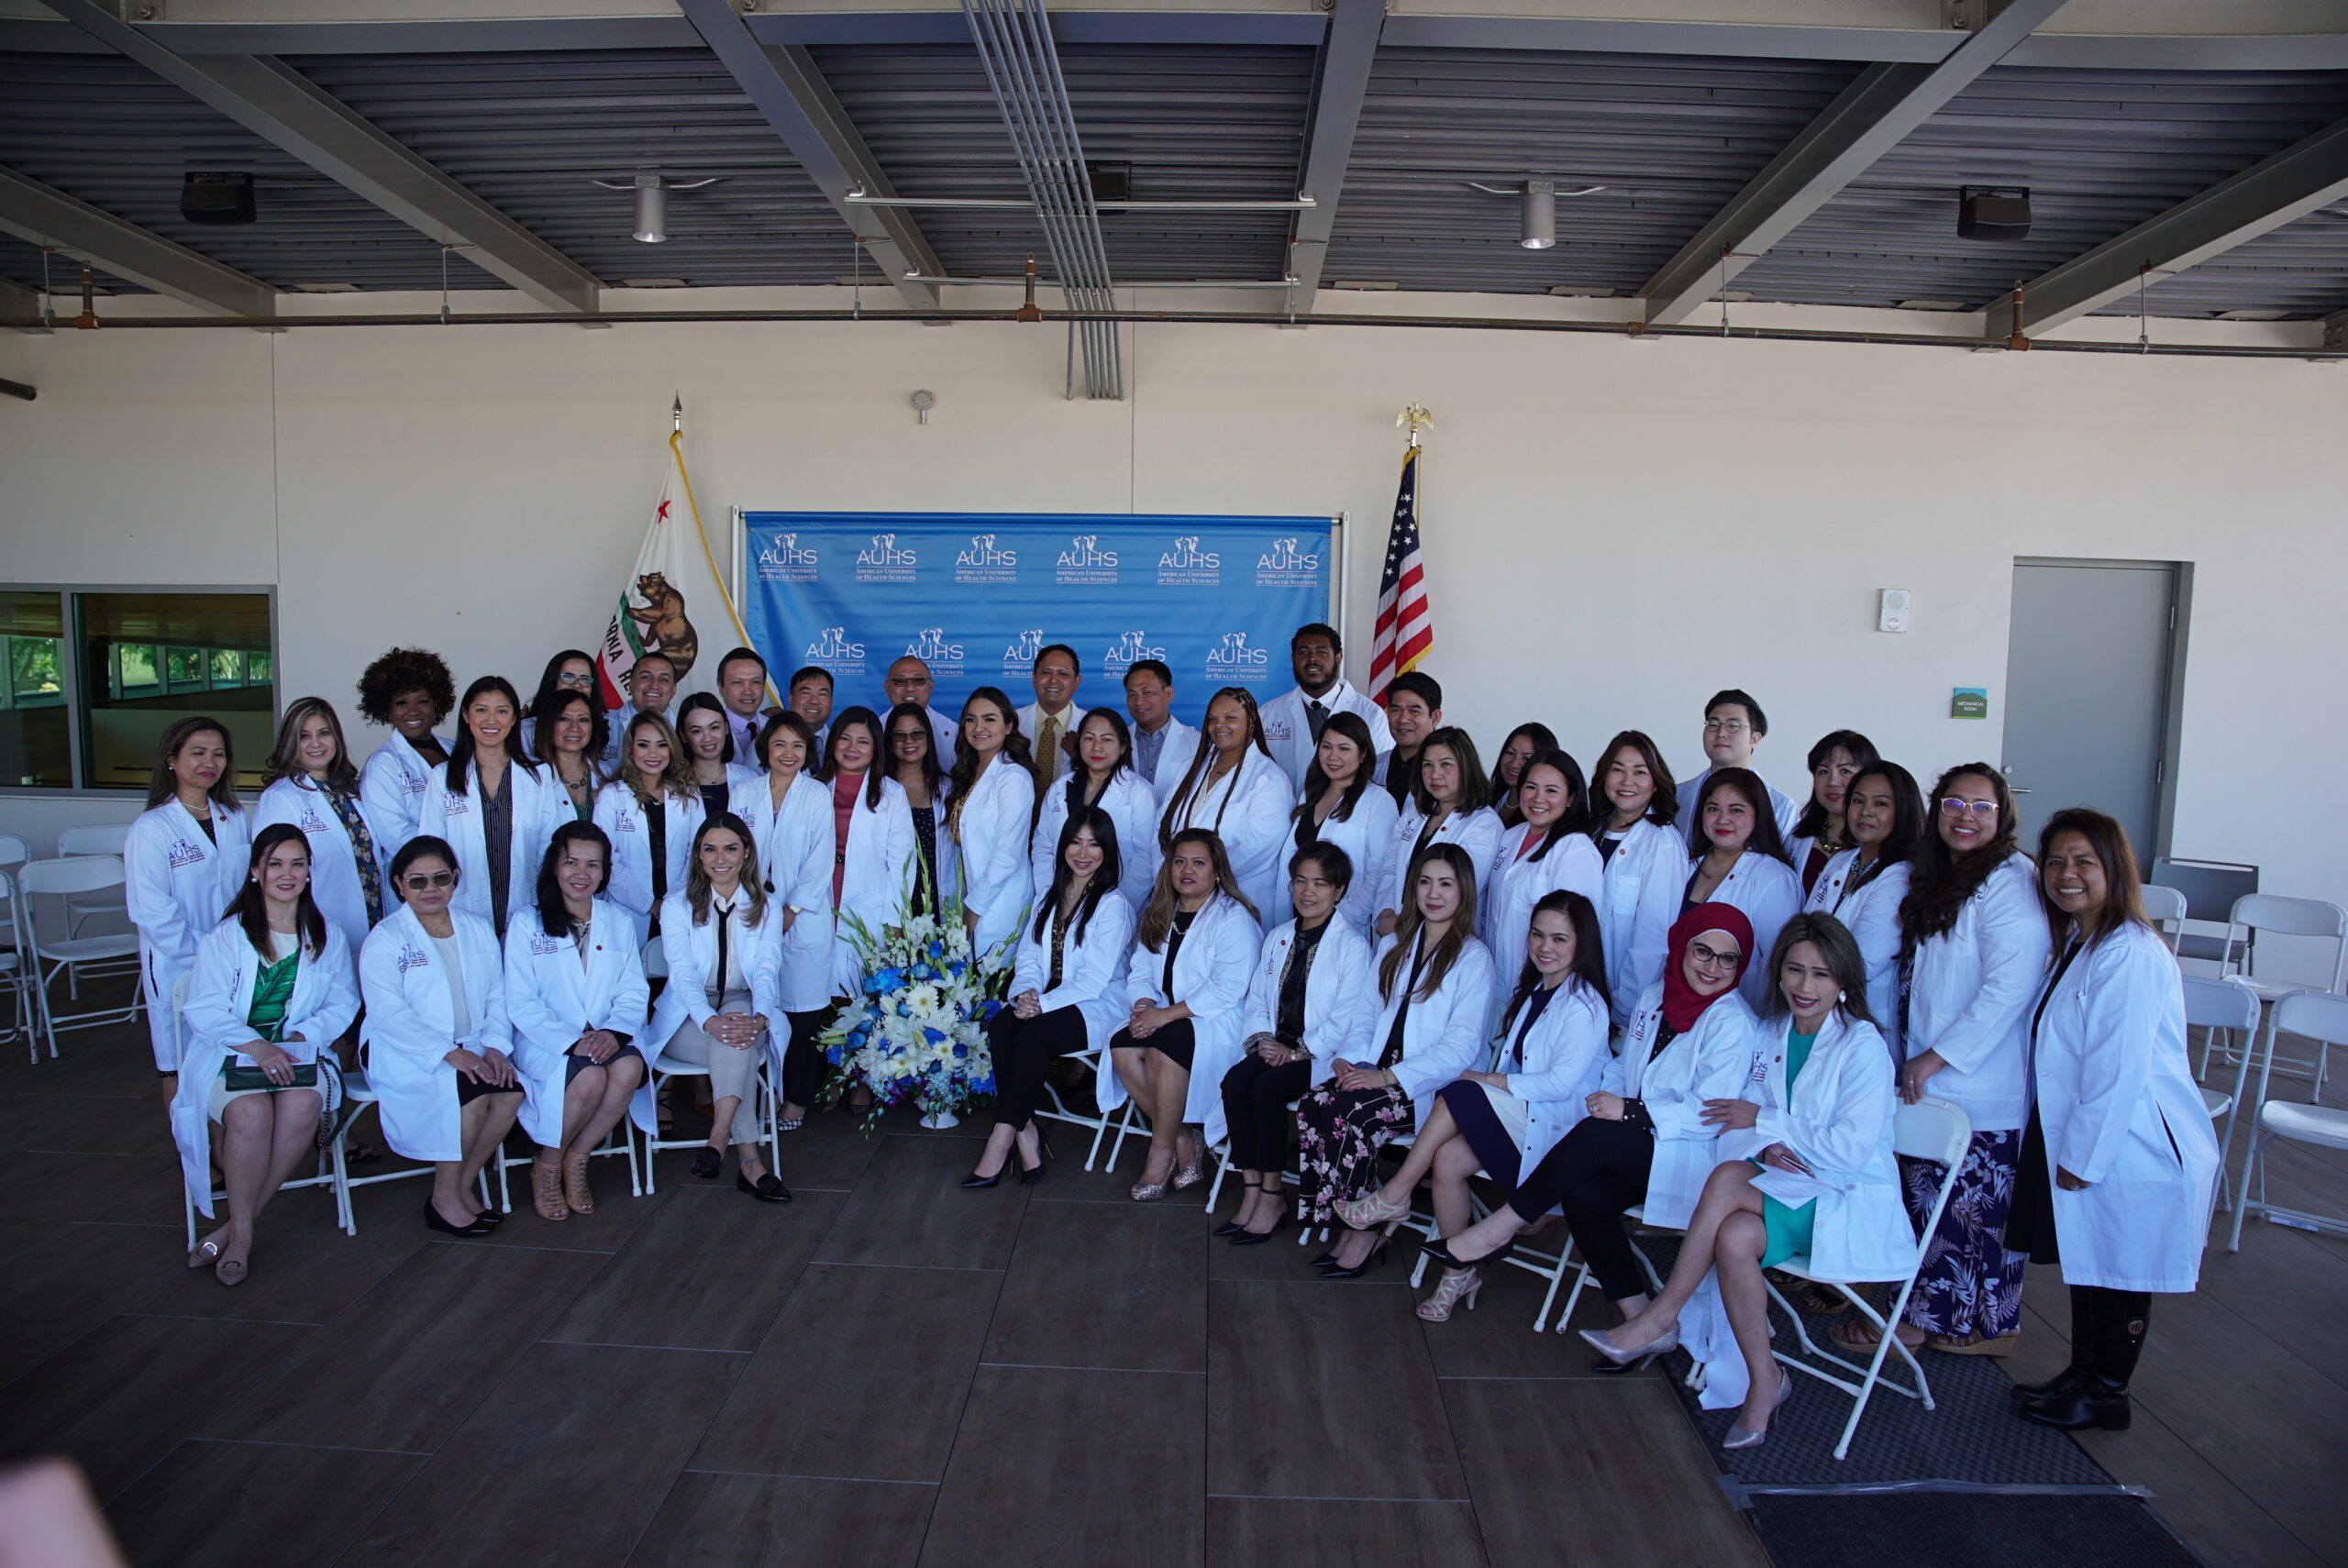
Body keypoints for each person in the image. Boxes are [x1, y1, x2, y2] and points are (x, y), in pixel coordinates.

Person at [1581, 914, 1910, 1448]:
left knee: (1731, 1177)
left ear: (1845, 983)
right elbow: (1738, 1123)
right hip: (1789, 1186)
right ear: (1777, 975)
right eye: (1795, 971)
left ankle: (1661, 1316)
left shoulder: (1863, 1046)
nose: (1805, 987)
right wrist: (1767, 1141)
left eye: (1821, 975)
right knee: (1734, 1237)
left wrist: (1768, 1127)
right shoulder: (1773, 1035)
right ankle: (1766, 1381)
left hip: (1842, 1199)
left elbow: (1848, 1148)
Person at [1425, 907, 1763, 1345]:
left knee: (1596, 1135)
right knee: (1585, 1198)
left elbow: (1708, 1114)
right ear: (1683, 946)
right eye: (1702, 951)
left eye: (1727, 959)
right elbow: (1623, 1067)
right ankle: (1643, 1320)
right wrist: (1609, 1103)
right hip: (1635, 1146)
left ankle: (1498, 1227)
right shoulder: (1656, 996)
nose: (1712, 967)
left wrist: (1627, 1112)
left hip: (1687, 1156)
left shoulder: (1733, 1022)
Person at [2005, 809, 2217, 1431]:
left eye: (2083, 863)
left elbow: (2116, 1070)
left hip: (2133, 1145)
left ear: (2113, 870)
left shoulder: (2130, 952)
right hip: (2092, 1136)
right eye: (2055, 862)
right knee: (2093, 1262)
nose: (2066, 875)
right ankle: (2082, 1375)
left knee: (2122, 1269)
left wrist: (2083, 1157)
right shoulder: (2084, 939)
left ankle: (2107, 1392)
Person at [1836, 763, 2052, 1359]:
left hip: (1979, 1080)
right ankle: (1936, 1317)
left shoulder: (2012, 880)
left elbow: (2009, 987)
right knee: (1933, 1205)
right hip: (1933, 1072)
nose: (1966, 816)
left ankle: (1977, 1327)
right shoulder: (1945, 875)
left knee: (1970, 1215)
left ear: (2002, 814)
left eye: (1981, 806)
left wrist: (1935, 1057)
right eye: (1954, 804)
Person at [1350, 889, 1611, 1320]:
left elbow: (1560, 1084)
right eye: (1538, 935)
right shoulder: (1534, 992)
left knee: (1460, 1088)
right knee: (1449, 1160)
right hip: (1519, 1117)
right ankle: (1458, 1277)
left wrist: (1488, 1079)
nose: (1546, 947)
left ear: (1582, 943)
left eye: (1560, 939)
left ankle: (1396, 1191)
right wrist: (1489, 1081)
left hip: (1552, 1128)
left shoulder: (1584, 1004)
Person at [172, 825, 359, 1286]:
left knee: (304, 1104)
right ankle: (243, 1233)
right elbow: (204, 1008)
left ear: (309, 872)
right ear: (256, 872)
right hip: (230, 1054)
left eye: (297, 863)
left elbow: (343, 1002)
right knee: (251, 1115)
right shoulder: (227, 937)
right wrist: (256, 1045)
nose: (286, 873)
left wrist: (299, 1033)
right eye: (274, 863)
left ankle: (237, 1228)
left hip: (298, 1053)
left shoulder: (326, 935)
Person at [1303, 844, 1495, 1277]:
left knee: (1347, 1114)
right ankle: (1345, 1215)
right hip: (1373, 1069)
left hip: (1423, 1085)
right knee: (1315, 1104)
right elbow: (1365, 1014)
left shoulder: (1473, 958)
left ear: (1463, 892)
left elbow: (1460, 1049)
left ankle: (1365, 1230)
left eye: (1446, 884)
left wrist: (1388, 1077)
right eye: (1425, 882)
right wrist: (1349, 1061)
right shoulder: (1395, 941)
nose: (1434, 893)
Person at [359, 835, 524, 1236]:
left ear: (455, 879)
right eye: (417, 881)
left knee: (510, 1094)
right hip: (408, 1049)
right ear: (399, 884)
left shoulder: (476, 927)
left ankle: (462, 1185)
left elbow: (498, 994)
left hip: (474, 1043)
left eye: (440, 878)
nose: (430, 889)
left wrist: (496, 1048)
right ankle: (444, 1196)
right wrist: (447, 1053)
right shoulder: (386, 938)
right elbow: (388, 1014)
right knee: (470, 1094)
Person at [1215, 846, 1377, 1242]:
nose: (1308, 891)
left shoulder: (1352, 946)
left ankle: (1273, 1195)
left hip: (1318, 1054)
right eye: (1301, 881)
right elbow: (1257, 998)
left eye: (1320, 883)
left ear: (1338, 891)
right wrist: (1264, 1041)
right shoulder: (1279, 936)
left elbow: (1346, 1018)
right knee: (1234, 1083)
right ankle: (1251, 1188)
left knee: (1267, 1091)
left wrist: (1296, 1052)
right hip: (1275, 1045)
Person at [967, 809, 1134, 1188]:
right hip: (1046, 1002)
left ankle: (1000, 1139)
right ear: (1063, 847)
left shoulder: (1112, 905)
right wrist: (1026, 992)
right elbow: (1028, 957)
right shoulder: (1049, 897)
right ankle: (1026, 1132)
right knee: (1002, 1025)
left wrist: (1042, 1005)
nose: (1083, 852)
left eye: (1094, 844)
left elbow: (1093, 980)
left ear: (1107, 851)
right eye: (1076, 842)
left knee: (1031, 1035)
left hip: (1094, 1007)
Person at [501, 823, 648, 1221]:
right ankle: (547, 1164)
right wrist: (572, 1041)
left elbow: (633, 990)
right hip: (548, 1040)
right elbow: (521, 1002)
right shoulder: (525, 924)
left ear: (604, 873)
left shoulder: (617, 921)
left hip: (605, 1032)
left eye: (592, 865)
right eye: (571, 862)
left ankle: (577, 1157)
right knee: (589, 1078)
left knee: (630, 1066)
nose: (581, 873)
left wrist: (615, 1032)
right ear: (554, 866)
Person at [642, 814, 790, 1201]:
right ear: (698, 855)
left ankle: (718, 1138)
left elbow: (767, 968)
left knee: (735, 1039)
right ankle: (748, 1160)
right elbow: (683, 975)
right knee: (731, 1042)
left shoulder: (767, 905)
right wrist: (710, 1022)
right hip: (687, 1016)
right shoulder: (677, 905)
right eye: (710, 849)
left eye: (730, 848)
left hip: (743, 1002)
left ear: (745, 854)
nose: (719, 858)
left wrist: (760, 1017)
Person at [1108, 829, 1261, 1201]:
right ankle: (1179, 1134)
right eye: (1179, 861)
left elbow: (1228, 987)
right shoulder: (1161, 911)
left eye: (1198, 862)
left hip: (1216, 1019)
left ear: (1217, 870)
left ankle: (1159, 1154)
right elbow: (1140, 969)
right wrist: (1145, 1006)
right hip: (1166, 1012)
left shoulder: (1233, 917)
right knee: (1122, 1047)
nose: (1187, 870)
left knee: (1163, 1049)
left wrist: (1165, 1017)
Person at [127, 716, 254, 1098]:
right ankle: (192, 1158)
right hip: (176, 962)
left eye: (218, 754)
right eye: (197, 753)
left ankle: (227, 1152)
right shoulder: (152, 827)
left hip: (232, 959)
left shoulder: (234, 817)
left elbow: (247, 888)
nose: (209, 762)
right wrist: (204, 955)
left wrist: (230, 953)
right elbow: (151, 911)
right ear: (171, 759)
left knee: (224, 1058)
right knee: (178, 1067)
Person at [727, 713, 836, 1125]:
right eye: (780, 744)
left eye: (798, 746)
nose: (788, 753)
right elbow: (736, 851)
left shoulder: (816, 794)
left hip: (803, 916)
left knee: (803, 1011)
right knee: (761, 1003)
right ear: (765, 749)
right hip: (751, 913)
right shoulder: (744, 792)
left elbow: (820, 859)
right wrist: (756, 905)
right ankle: (762, 1092)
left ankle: (798, 1098)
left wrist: (791, 909)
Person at [418, 675, 559, 940]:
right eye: (481, 710)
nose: (491, 720)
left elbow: (548, 846)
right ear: (466, 715)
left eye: (502, 711)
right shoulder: (443, 777)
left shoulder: (539, 775)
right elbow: (431, 850)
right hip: (462, 908)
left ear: (514, 718)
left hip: (526, 907)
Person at [1805, 761, 1925, 1059]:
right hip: (1816, 1007)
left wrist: (1800, 965)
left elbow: (1861, 961)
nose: (1865, 811)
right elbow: (1803, 927)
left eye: (1880, 804)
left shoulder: (1899, 876)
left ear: (1903, 812)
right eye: (1858, 801)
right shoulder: (1842, 861)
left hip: (1863, 1017)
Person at [256, 697, 381, 958]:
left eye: (323, 733)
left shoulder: (349, 791)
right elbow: (272, 875)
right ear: (291, 743)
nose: (316, 743)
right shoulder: (281, 798)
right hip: (316, 929)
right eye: (304, 736)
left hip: (372, 917)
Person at [1483, 749, 1603, 1019]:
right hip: (1497, 982)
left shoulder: (1574, 849)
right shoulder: (1510, 837)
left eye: (1551, 790)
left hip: (1541, 990)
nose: (1538, 799)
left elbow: (1575, 935)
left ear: (1571, 798)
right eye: (1531, 787)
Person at [1157, 686, 1295, 918]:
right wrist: (1175, 876)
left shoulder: (1270, 779)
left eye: (1230, 718)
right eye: (1213, 719)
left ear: (1251, 720)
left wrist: (1197, 879)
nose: (1219, 726)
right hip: (1179, 896)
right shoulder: (1190, 769)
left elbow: (1256, 849)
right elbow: (1161, 827)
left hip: (1237, 902)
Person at [820, 707, 914, 1027]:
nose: (852, 748)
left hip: (869, 903)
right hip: (818, 895)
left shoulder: (891, 793)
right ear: (833, 742)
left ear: (875, 748)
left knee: (859, 999)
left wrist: (895, 919)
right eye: (844, 739)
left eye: (862, 741)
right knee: (812, 991)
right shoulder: (811, 786)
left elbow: (902, 863)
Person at [1682, 767, 1801, 1010]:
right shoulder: (1686, 866)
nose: (1722, 819)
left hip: (1742, 1017)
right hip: (1681, 1008)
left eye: (1736, 810)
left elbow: (1779, 962)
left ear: (1759, 815)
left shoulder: (1774, 878)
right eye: (1713, 808)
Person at [1590, 731, 1686, 1032]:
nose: (1626, 781)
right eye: (1617, 770)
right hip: (1575, 988)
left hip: (1618, 1001)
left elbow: (1653, 940)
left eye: (1640, 772)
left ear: (1655, 781)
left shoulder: (1662, 842)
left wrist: (1623, 1010)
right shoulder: (1591, 831)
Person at [939, 687, 1037, 965]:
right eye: (971, 719)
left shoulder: (1013, 777)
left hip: (998, 902)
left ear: (1008, 726)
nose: (979, 727)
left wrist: (974, 907)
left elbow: (1008, 854)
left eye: (989, 719)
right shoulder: (968, 772)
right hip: (970, 896)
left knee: (994, 986)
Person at [1029, 708, 1160, 914]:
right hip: (1059, 901)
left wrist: (1112, 907)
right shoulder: (1061, 787)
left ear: (1123, 745)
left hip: (1115, 904)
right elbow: (1043, 845)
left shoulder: (1139, 792)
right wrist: (1051, 895)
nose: (1096, 747)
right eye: (1089, 738)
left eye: (1107, 740)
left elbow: (1144, 857)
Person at [1276, 711, 1397, 933]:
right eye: (1326, 746)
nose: (1333, 756)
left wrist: (1341, 918)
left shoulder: (1378, 801)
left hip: (1347, 924)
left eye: (1344, 748)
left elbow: (1381, 871)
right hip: (1301, 917)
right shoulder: (1310, 795)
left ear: (1362, 754)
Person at [594, 712, 703, 943]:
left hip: (679, 905)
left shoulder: (688, 794)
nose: (653, 754)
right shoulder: (612, 795)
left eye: (661, 745)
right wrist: (649, 904)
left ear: (671, 749)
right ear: (631, 750)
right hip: (628, 909)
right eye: (644, 745)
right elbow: (606, 858)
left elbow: (698, 852)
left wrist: (671, 901)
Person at [1379, 727, 1500, 936]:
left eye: (1446, 765)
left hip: (1444, 938)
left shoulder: (1484, 824)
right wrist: (1386, 912)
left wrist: (1403, 925)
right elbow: (1390, 868)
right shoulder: (1416, 812)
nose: (1435, 774)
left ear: (1466, 767)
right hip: (1394, 929)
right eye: (1427, 765)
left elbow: (1458, 892)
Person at [1258, 623, 1392, 790]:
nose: (1312, 658)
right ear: (1293, 659)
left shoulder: (1370, 714)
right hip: (1282, 814)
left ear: (1338, 658)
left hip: (1349, 813)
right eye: (1303, 652)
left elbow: (1379, 776)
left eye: (1321, 652)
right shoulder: (1267, 713)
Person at [355, 646, 454, 871]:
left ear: (436, 703)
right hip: (416, 877)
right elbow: (396, 835)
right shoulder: (383, 765)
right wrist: (456, 852)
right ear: (387, 708)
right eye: (402, 703)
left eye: (423, 701)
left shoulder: (456, 751)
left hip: (468, 872)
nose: (413, 711)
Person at [1675, 690, 1799, 848]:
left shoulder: (1781, 806)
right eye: (1713, 724)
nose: (1721, 733)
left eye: (1733, 725)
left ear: (1754, 739)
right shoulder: (1676, 796)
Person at [1786, 730, 1880, 897]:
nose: (1832, 782)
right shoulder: (1796, 838)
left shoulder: (1878, 844)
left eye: (1845, 771)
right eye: (1823, 771)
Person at [884, 701, 949, 918]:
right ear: (890, 741)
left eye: (917, 734)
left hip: (939, 896)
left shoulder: (948, 789)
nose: (909, 741)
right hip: (890, 899)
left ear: (928, 738)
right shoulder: (878, 789)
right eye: (900, 735)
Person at [675, 691, 759, 818]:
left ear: (726, 727)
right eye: (697, 731)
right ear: (683, 735)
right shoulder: (673, 785)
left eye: (714, 728)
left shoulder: (749, 778)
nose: (707, 738)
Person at [1017, 643, 1090, 789]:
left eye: (1062, 674)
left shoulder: (1090, 726)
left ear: (1076, 682)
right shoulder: (1011, 723)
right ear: (1034, 678)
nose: (1053, 680)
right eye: (1046, 672)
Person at [532, 689, 606, 824]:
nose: (574, 727)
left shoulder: (607, 773)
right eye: (564, 718)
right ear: (548, 724)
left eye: (583, 719)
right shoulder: (532, 776)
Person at [1122, 657, 1193, 795]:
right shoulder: (1118, 741)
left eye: (1147, 692)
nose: (1138, 701)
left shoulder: (1197, 744)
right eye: (1132, 694)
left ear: (1168, 694)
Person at [1371, 671, 1441, 809]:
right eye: (1396, 710)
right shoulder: (1372, 766)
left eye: (1414, 711)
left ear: (1434, 718)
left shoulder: (1452, 773)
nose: (1403, 719)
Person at [600, 653, 679, 767]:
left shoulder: (683, 729)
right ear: (630, 684)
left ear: (674, 689)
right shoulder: (602, 723)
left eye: (663, 679)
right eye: (646, 677)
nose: (654, 685)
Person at [517, 649, 598, 757]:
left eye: (585, 679)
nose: (577, 685)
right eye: (568, 677)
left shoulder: (608, 726)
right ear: (552, 681)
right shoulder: (526, 730)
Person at [882, 654, 958, 769]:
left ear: (931, 685)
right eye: (900, 681)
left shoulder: (953, 731)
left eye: (918, 680)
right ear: (887, 687)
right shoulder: (874, 730)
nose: (910, 688)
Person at [1488, 721, 1558, 830]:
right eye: (1510, 753)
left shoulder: (1541, 813)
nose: (1514, 764)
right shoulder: (1487, 800)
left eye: (1526, 758)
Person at [717, 646, 778, 763]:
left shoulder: (776, 727)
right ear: (721, 687)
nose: (748, 691)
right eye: (738, 683)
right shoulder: (709, 733)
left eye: (755, 682)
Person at [787, 665, 836, 749]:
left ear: (831, 702)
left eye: (822, 694)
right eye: (806, 693)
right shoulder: (770, 741)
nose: (814, 701)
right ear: (791, 699)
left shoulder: (842, 746)